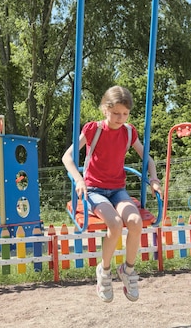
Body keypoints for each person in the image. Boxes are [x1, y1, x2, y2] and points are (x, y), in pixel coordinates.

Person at [62, 85, 162, 303]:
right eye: (116, 113)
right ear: (104, 109)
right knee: (115, 224)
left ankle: (127, 270)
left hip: (117, 190)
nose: (120, 118)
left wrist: (153, 179)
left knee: (135, 221)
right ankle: (104, 271)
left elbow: (148, 159)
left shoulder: (128, 131)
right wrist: (78, 179)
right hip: (94, 190)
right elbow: (67, 157)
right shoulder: (93, 130)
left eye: (125, 114)